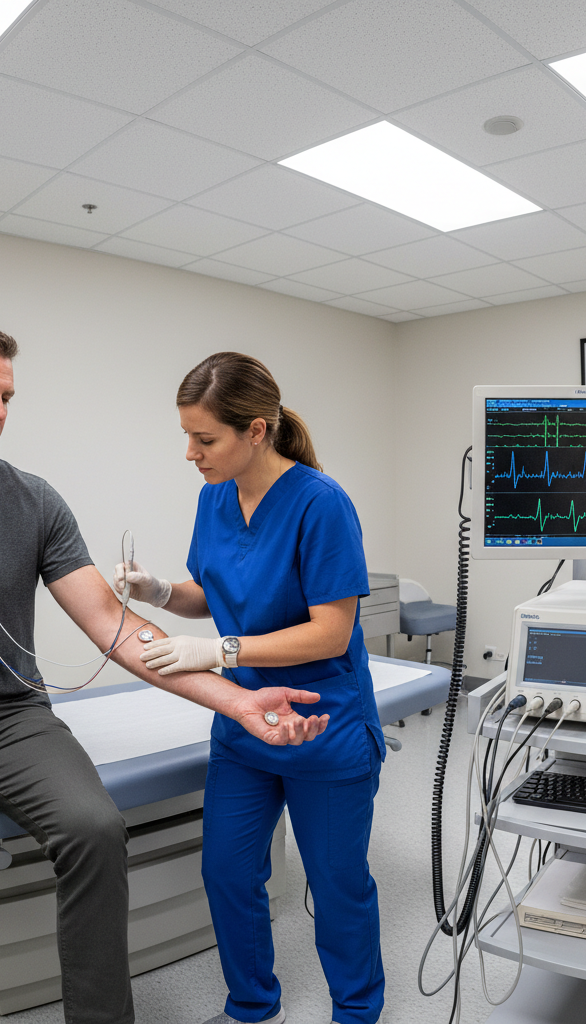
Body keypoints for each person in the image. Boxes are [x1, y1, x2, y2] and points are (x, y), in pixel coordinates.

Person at [0, 324, 327, 1024]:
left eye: (7, 397)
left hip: (11, 716)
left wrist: (237, 703)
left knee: (95, 829)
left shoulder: (33, 501)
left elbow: (114, 625)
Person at [114, 352, 385, 1024]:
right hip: (242, 727)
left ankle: (356, 1012)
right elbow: (212, 590)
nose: (190, 453)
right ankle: (253, 1006)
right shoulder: (215, 496)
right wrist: (159, 592)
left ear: (256, 430)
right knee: (229, 875)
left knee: (337, 886)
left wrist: (219, 650)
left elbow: (331, 631)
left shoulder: (321, 505)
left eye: (204, 439)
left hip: (320, 726)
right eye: (187, 436)